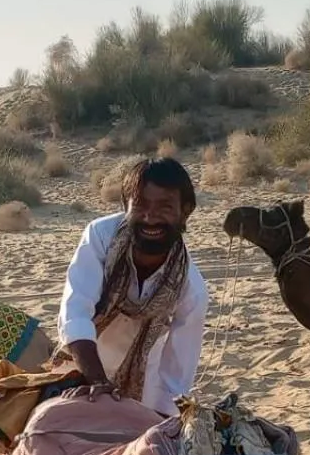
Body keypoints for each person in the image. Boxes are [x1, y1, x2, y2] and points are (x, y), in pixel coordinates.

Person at [57, 156, 208, 417]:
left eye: (164, 207)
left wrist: (160, 424)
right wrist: (97, 383)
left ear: (185, 211)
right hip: (82, 364)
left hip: (145, 385)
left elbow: (177, 373)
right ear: (125, 205)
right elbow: (75, 313)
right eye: (140, 204)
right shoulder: (100, 237)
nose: (150, 217)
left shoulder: (190, 287)